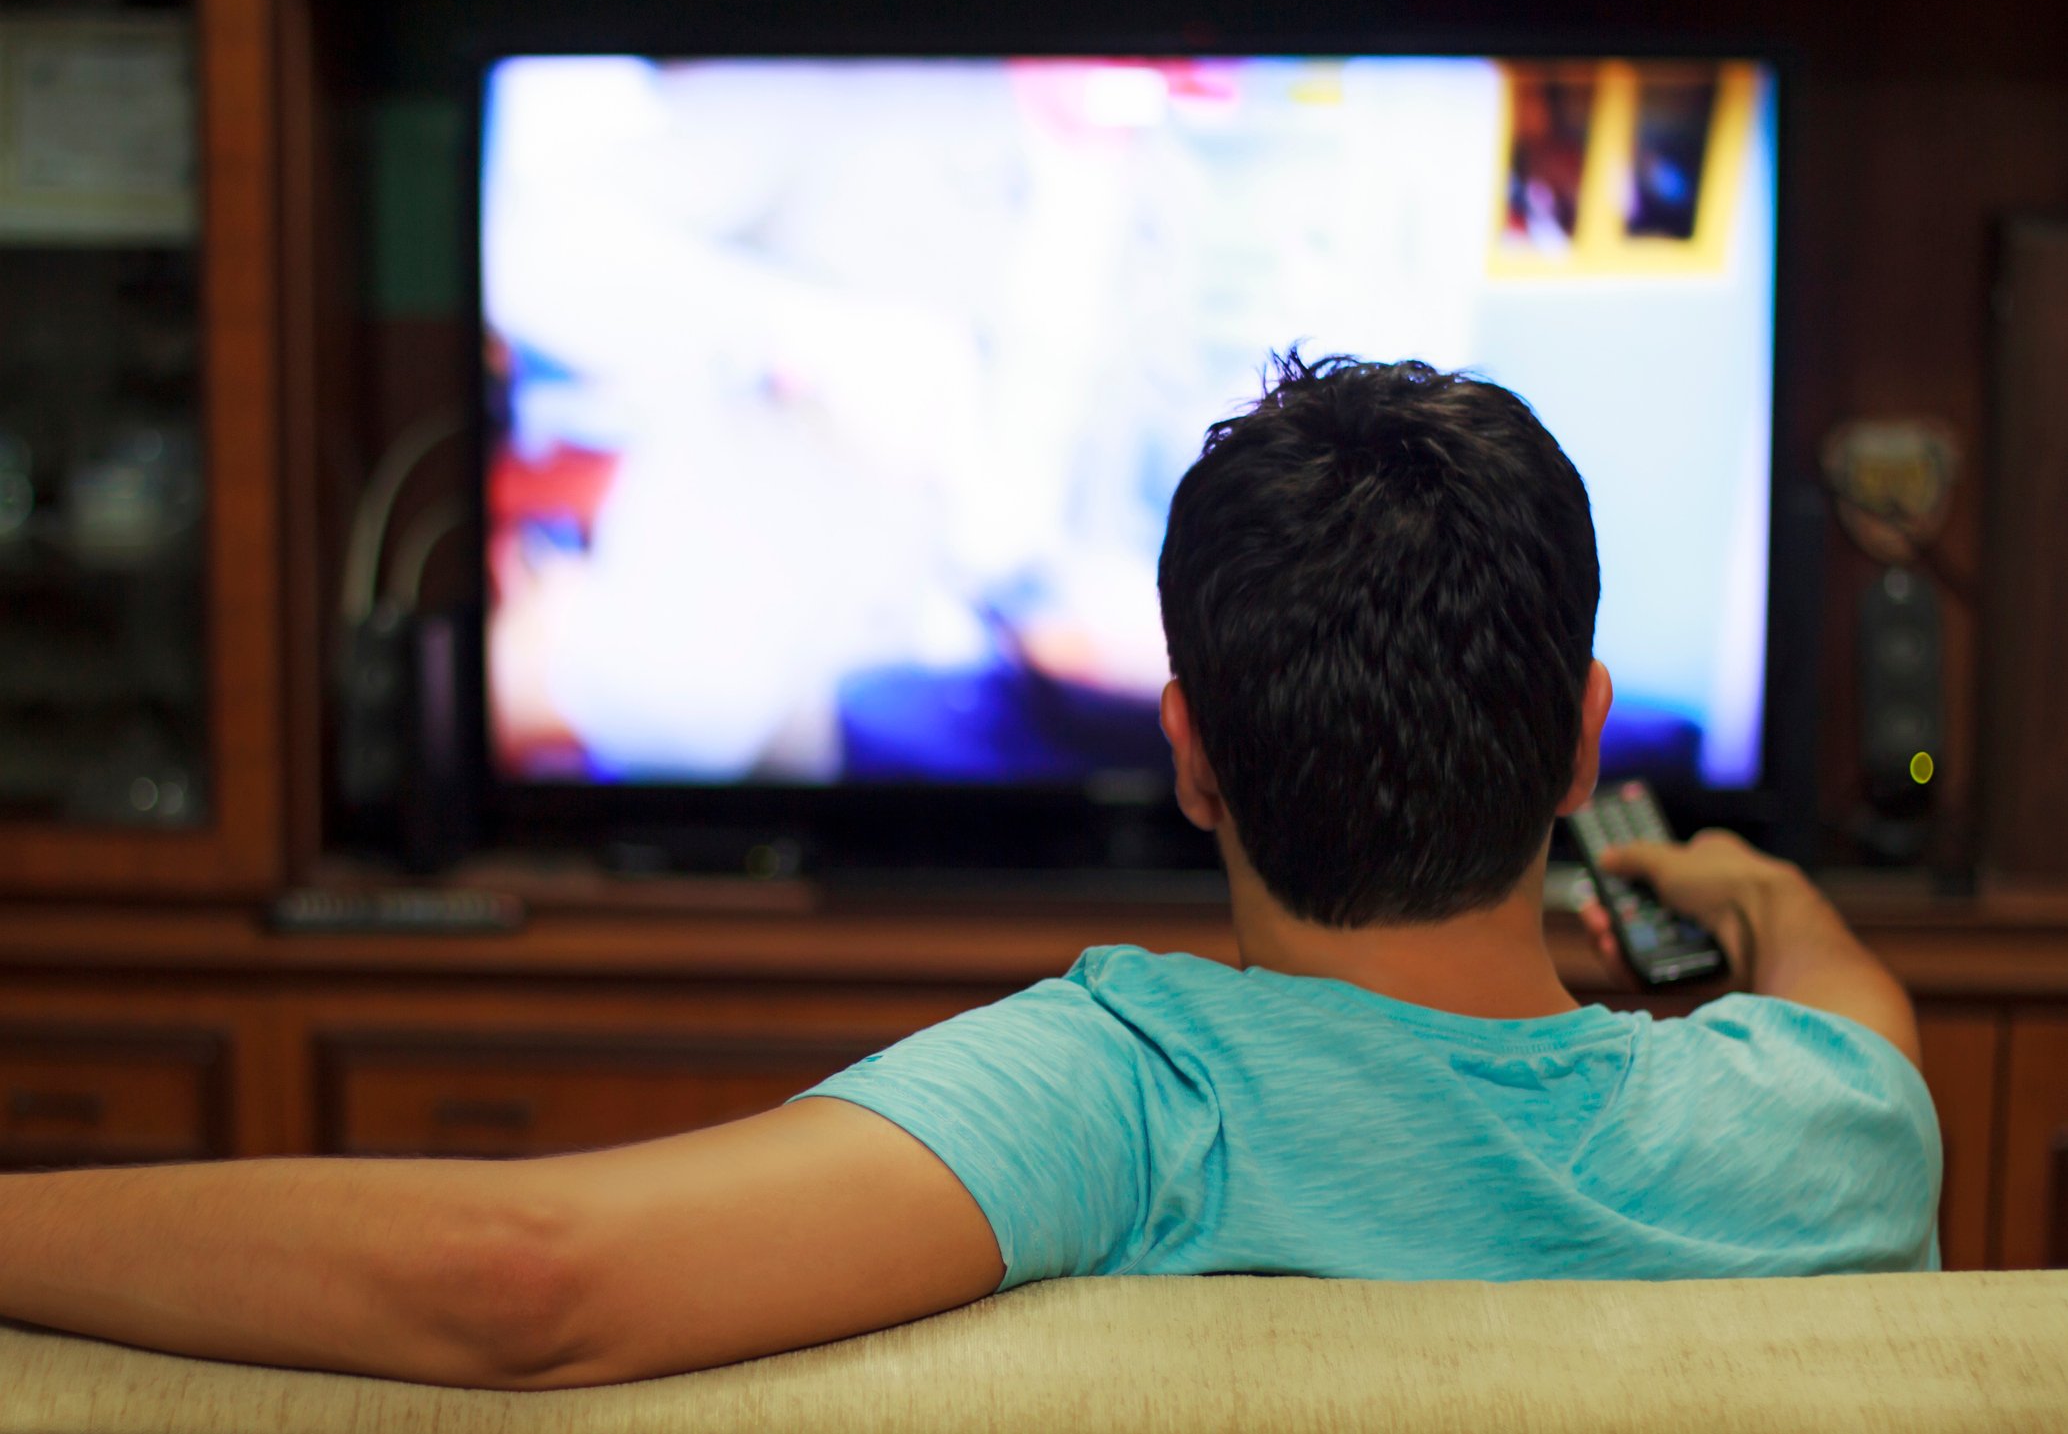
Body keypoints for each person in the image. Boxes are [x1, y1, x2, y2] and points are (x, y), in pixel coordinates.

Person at [0, 355, 1937, 1390]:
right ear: (1581, 739)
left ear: (1187, 751)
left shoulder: (1135, 1095)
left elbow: (525, 1278)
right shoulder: (1830, 1112)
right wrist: (1740, 890)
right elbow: (1846, 984)